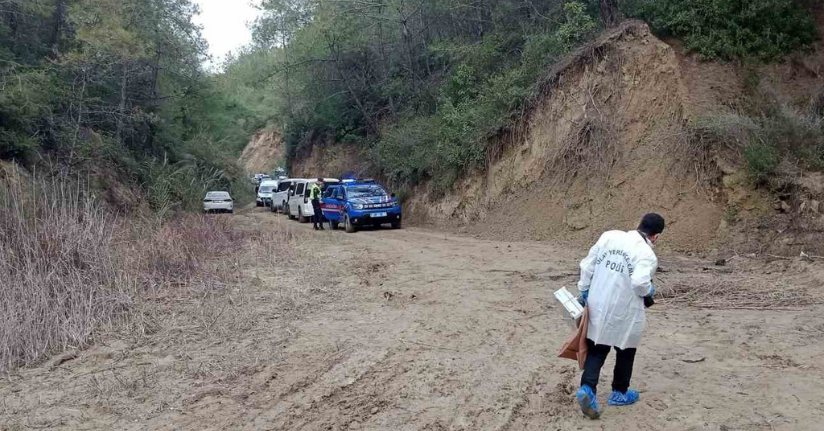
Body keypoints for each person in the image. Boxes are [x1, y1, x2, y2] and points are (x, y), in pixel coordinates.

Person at [574, 213, 665, 419]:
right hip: (625, 310)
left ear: (638, 224)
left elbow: (587, 265)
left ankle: (587, 389)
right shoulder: (646, 254)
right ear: (655, 237)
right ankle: (619, 392)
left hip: (599, 302)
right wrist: (649, 290)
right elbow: (640, 283)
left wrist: (584, 289)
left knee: (597, 348)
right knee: (626, 350)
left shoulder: (609, 237)